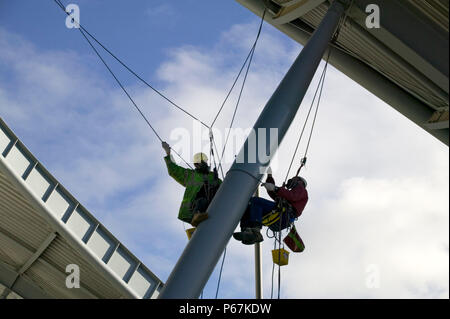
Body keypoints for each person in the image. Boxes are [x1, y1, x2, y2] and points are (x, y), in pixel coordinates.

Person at [233, 171, 308, 245]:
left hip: (284, 215)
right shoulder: (290, 194)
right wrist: (269, 177)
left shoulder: (301, 189)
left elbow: (292, 196)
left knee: (256, 201)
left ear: (300, 181)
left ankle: (255, 232)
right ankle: (247, 232)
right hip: (280, 217)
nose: (291, 181)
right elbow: (274, 194)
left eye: (294, 179)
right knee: (248, 206)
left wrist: (275, 189)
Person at [162, 141, 222, 227]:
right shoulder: (191, 175)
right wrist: (168, 152)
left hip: (213, 205)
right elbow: (173, 170)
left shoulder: (213, 176)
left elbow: (225, 188)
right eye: (200, 162)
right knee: (202, 200)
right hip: (195, 207)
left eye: (204, 161)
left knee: (211, 189)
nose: (203, 163)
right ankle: (196, 215)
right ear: (196, 165)